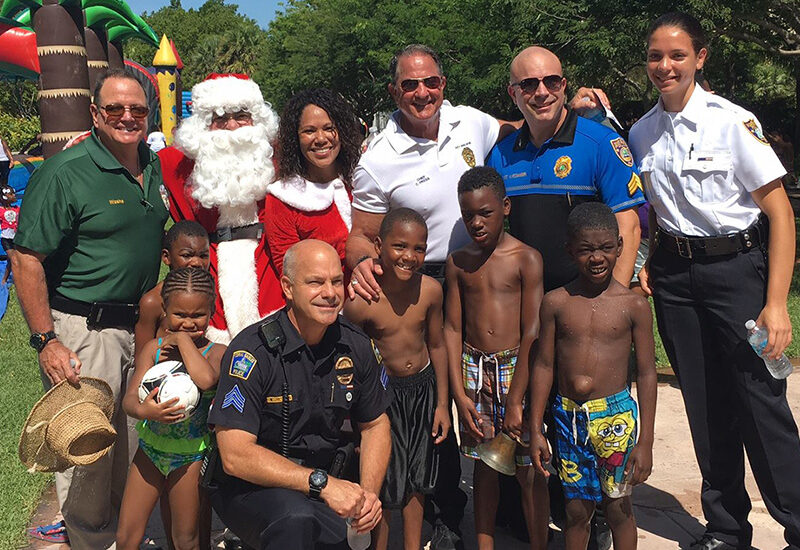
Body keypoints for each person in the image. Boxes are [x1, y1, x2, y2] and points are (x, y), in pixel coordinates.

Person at [630, 12, 800, 550]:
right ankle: (727, 528)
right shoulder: (641, 132)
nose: (665, 66)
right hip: (677, 280)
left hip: (737, 275)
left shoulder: (732, 122)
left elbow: (781, 214)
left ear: (699, 58)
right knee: (704, 406)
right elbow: (659, 211)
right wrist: (653, 260)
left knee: (761, 401)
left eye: (677, 55)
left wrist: (776, 304)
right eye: (656, 56)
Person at [11, 68, 169, 549]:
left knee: (134, 444)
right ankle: (87, 542)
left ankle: (123, 538)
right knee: (89, 455)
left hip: (139, 331)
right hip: (84, 330)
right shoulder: (64, 171)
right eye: (115, 109)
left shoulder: (154, 165)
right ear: (96, 115)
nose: (127, 117)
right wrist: (46, 340)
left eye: (137, 109)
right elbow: (25, 258)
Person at [208, 239, 392, 550]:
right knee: (295, 521)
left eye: (336, 281)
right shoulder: (252, 352)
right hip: (253, 487)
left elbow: (375, 425)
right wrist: (322, 485)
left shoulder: (356, 345)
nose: (330, 293)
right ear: (288, 288)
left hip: (323, 486)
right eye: (316, 282)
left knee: (363, 531)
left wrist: (367, 496)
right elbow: (235, 456)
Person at [529, 203, 657, 550]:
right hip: (568, 417)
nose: (596, 258)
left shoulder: (634, 306)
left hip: (615, 417)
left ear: (619, 247)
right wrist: (536, 427)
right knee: (575, 511)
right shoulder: (556, 302)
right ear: (570, 249)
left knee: (619, 509)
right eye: (585, 249)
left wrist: (645, 441)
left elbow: (646, 373)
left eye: (604, 248)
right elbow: (543, 366)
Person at [443, 167, 547, 550]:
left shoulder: (527, 259)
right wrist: (459, 393)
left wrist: (517, 399)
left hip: (517, 369)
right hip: (473, 370)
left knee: (529, 469)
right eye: (468, 214)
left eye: (485, 213)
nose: (476, 222)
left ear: (504, 207)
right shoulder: (458, 263)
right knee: (484, 465)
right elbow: (452, 329)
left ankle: (539, 543)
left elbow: (532, 331)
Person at [486, 46, 645, 294]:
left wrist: (613, 300)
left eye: (551, 82)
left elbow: (629, 226)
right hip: (527, 306)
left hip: (590, 303)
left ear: (563, 86)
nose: (542, 92)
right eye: (528, 84)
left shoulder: (601, 144)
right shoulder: (500, 155)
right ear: (512, 93)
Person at [344, 208, 450, 550]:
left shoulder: (431, 290)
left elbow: (436, 344)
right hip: (382, 397)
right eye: (400, 246)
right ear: (378, 245)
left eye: (419, 248)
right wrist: (356, 419)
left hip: (423, 390)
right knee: (385, 480)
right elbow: (350, 365)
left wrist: (442, 404)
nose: (409, 256)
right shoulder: (361, 303)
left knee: (418, 478)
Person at [159, 73, 283, 344]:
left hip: (270, 268)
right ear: (203, 126)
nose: (231, 126)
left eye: (241, 115)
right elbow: (130, 159)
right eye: (219, 118)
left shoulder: (280, 159)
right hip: (208, 275)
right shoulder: (175, 164)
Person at [117, 267, 225, 550]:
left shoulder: (216, 352)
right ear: (164, 310)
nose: (189, 323)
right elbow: (130, 399)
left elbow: (206, 379)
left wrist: (181, 341)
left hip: (190, 457)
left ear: (212, 310)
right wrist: (144, 412)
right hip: (150, 450)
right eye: (180, 315)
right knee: (127, 535)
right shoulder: (153, 349)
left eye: (197, 315)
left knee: (185, 538)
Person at [266, 88, 363, 275]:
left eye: (329, 128)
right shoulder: (282, 198)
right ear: (295, 138)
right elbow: (290, 271)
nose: (320, 139)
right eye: (309, 131)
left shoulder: (362, 180)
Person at [134, 220, 211, 359]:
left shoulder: (211, 295)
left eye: (204, 256)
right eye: (187, 255)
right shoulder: (153, 302)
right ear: (166, 257)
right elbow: (141, 357)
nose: (197, 263)